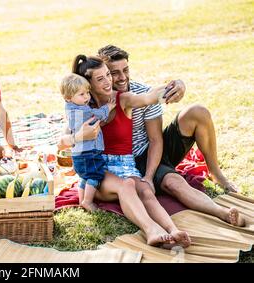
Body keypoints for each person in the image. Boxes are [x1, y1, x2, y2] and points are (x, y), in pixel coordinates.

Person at [97, 45, 244, 227]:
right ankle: (222, 213)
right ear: (104, 75)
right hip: (120, 162)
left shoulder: (142, 92)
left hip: (149, 152)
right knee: (174, 183)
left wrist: (149, 177)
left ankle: (215, 172)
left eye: (125, 70)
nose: (123, 77)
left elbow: (156, 140)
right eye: (115, 73)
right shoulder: (97, 98)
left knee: (197, 111)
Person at [59, 57, 181, 248]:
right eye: (100, 79)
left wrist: (174, 86)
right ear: (88, 84)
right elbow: (61, 143)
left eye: (108, 74)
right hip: (99, 169)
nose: (108, 81)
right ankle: (152, 231)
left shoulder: (122, 98)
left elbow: (147, 97)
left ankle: (173, 230)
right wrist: (79, 136)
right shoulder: (81, 106)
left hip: (125, 164)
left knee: (146, 191)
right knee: (127, 186)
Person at [60, 73, 115, 211]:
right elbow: (99, 115)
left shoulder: (70, 108)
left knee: (84, 177)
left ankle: (81, 200)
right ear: (68, 98)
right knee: (95, 175)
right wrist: (108, 106)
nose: (87, 97)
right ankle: (88, 201)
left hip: (78, 153)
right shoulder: (83, 111)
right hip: (89, 152)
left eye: (87, 93)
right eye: (81, 94)